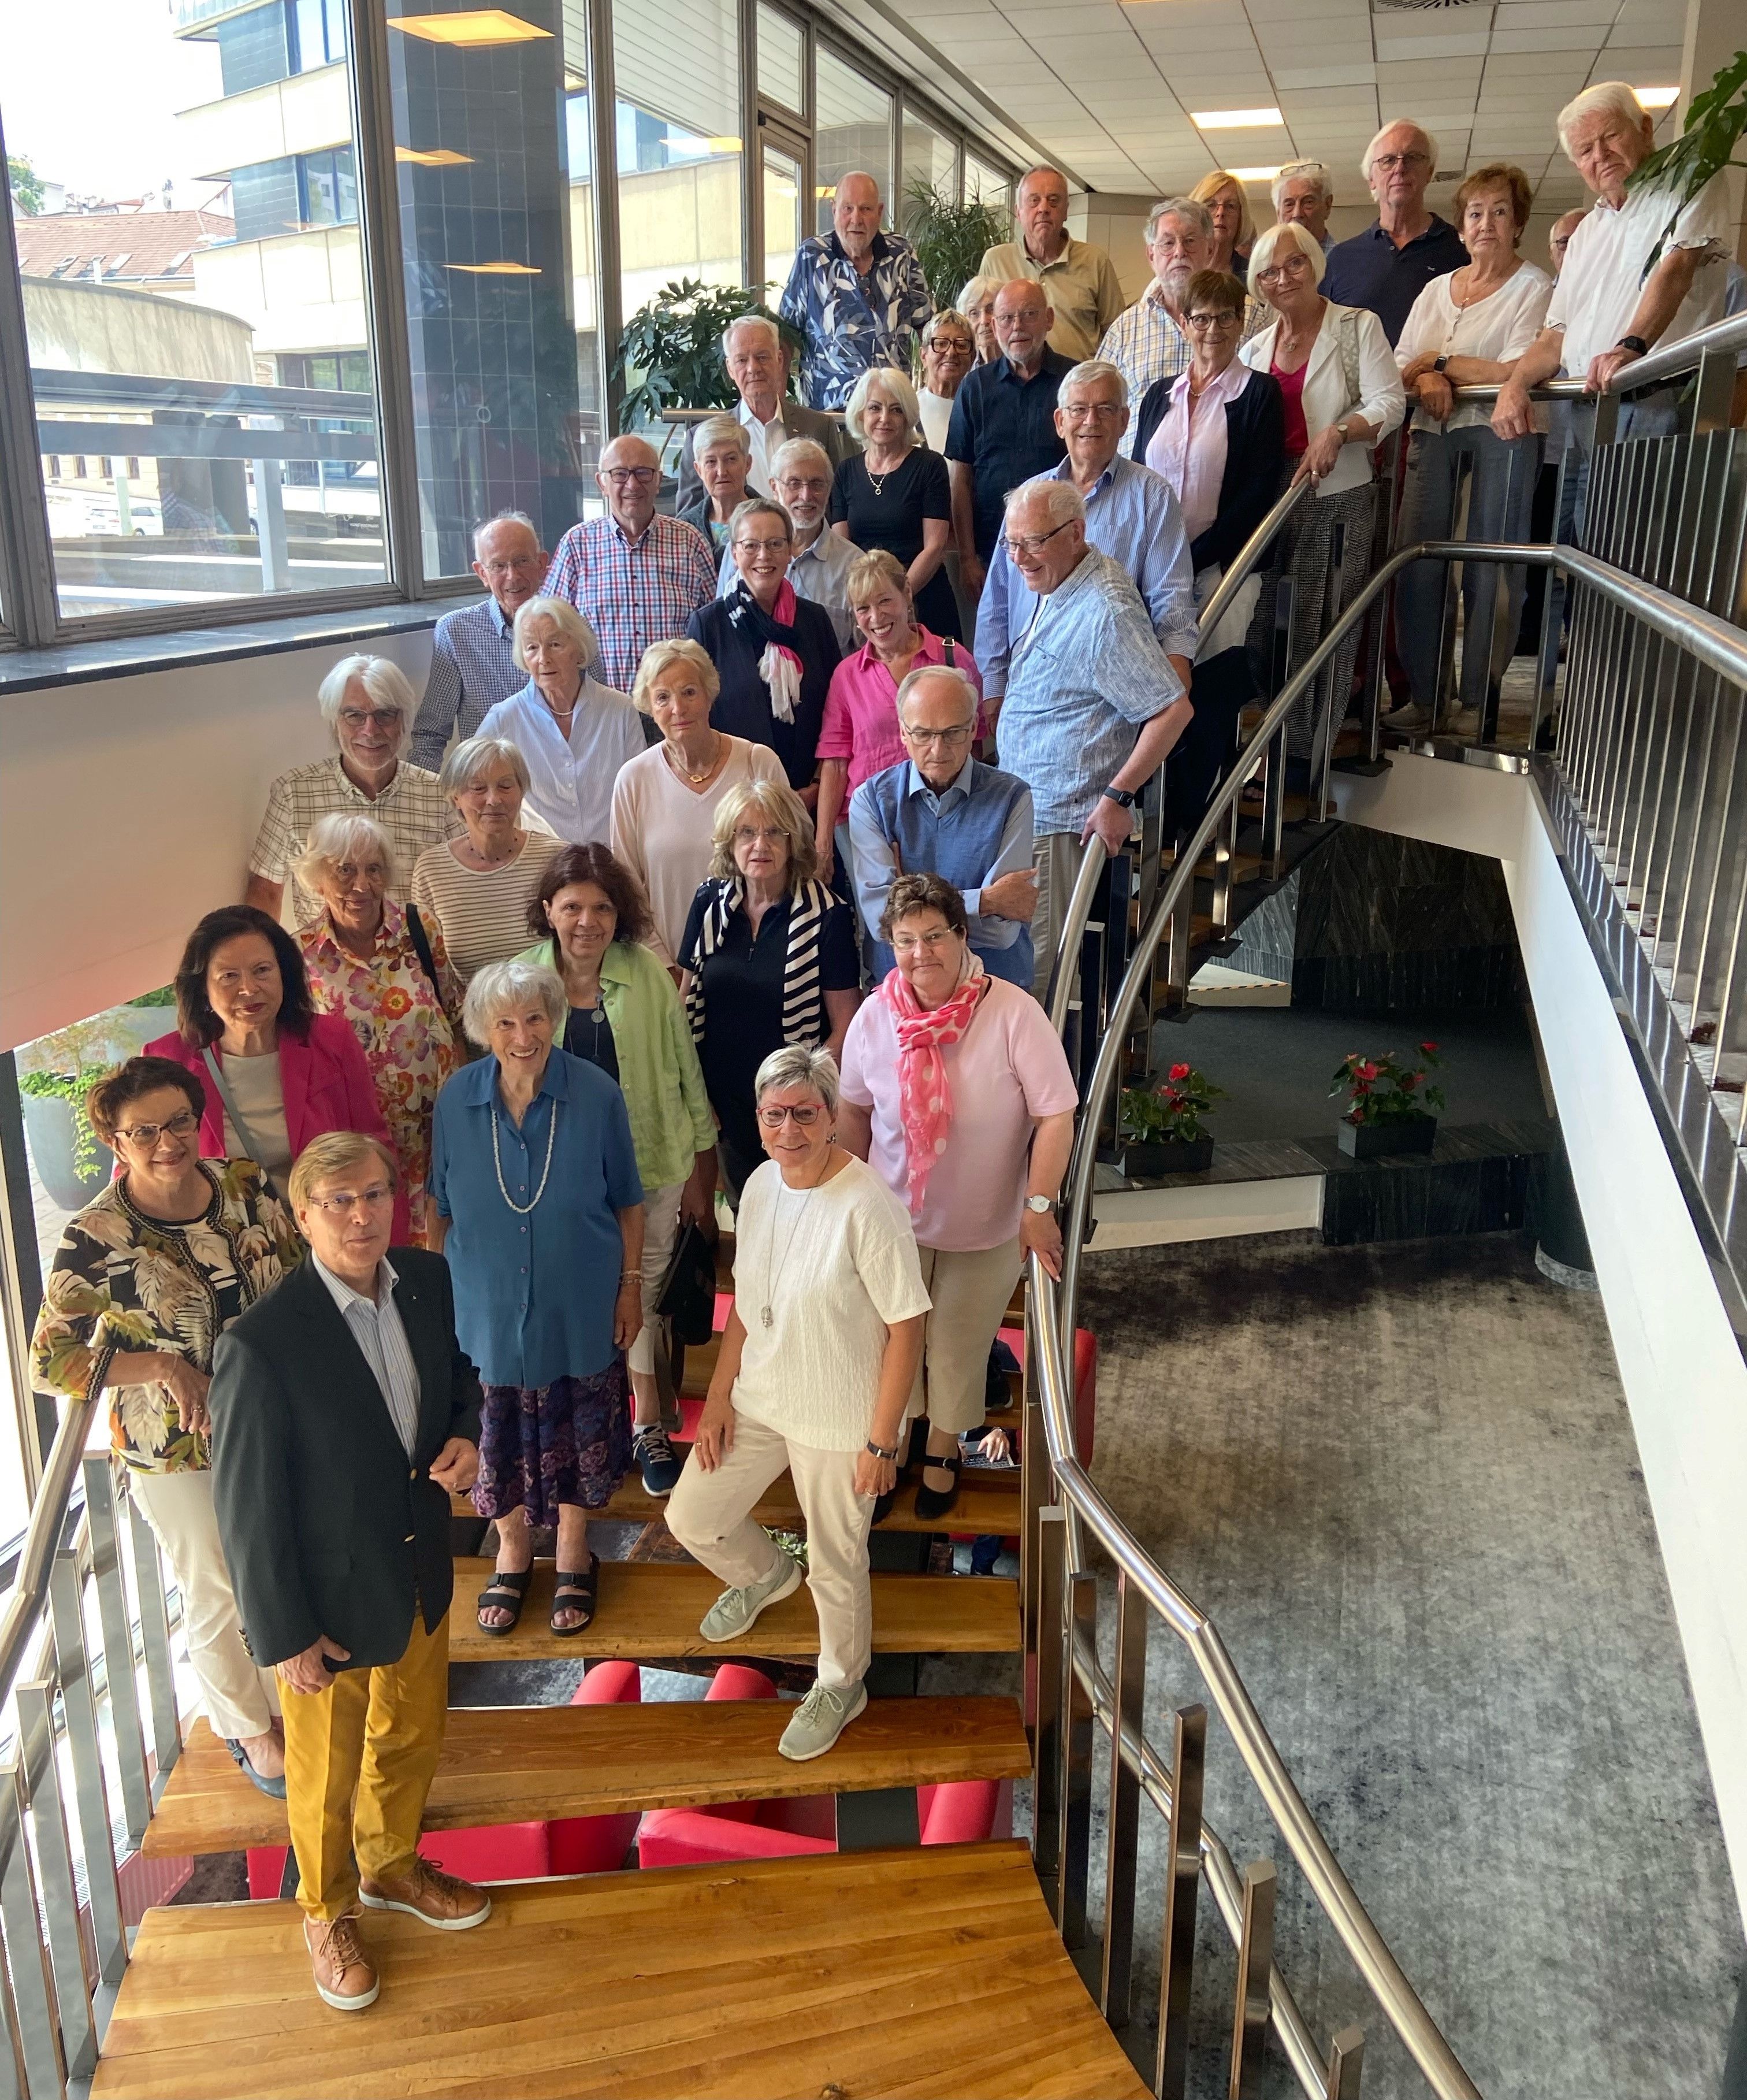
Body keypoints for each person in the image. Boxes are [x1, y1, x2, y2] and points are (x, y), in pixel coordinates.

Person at [209, 1130, 489, 2013]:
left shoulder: (428, 1280)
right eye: (338, 1201)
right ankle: (325, 1910)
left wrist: (467, 1434)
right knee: (324, 1774)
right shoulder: (261, 1341)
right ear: (302, 1216)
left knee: (412, 1733)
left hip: (420, 1567)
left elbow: (460, 1378)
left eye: (374, 1194)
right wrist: (283, 1632)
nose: (362, 1215)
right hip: (326, 1599)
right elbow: (247, 1509)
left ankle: (391, 1866)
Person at [31, 1056, 302, 1802]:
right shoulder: (95, 1234)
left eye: (179, 1121)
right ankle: (248, 1726)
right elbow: (50, 1360)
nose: (167, 1142)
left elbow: (301, 1278)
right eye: (143, 1132)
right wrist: (159, 1365)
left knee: (276, 1560)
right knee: (215, 1579)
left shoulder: (243, 1185)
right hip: (174, 1442)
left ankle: (290, 1700)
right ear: (115, 1142)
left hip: (270, 1417)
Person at [666, 1044, 929, 1762]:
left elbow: (908, 1326)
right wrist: (719, 1397)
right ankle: (769, 1576)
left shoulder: (869, 1206)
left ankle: (842, 1681)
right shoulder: (757, 1187)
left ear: (832, 1117)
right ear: (756, 1120)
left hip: (843, 1415)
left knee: (837, 1560)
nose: (789, 1130)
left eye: (805, 1114)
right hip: (763, 1394)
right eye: (774, 1115)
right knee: (692, 1516)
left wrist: (881, 1441)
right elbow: (747, 1305)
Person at [838, 875, 1075, 1519]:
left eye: (935, 936)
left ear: (963, 936)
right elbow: (853, 1110)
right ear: (891, 946)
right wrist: (845, 1200)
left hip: (985, 1224)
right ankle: (896, 1440)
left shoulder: (1013, 1012)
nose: (921, 953)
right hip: (893, 1224)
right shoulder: (874, 1016)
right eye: (905, 940)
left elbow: (1056, 1115)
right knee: (894, 1342)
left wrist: (1039, 1208)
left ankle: (943, 1448)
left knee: (956, 1346)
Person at [429, 960, 643, 1639]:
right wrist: (438, 1301)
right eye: (505, 1023)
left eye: (534, 1019)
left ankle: (575, 1549)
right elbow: (439, 1207)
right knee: (495, 1435)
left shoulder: (597, 1094)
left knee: (579, 1430)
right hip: (485, 1308)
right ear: (483, 1030)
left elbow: (629, 1202)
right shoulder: (456, 1100)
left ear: (554, 1018)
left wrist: (630, 1287)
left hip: (579, 1303)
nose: (523, 1037)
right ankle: (514, 1549)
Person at [515, 847, 716, 1498]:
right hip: (556, 1177)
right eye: (572, 906)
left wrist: (701, 1162)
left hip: (650, 1159)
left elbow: (684, 1064)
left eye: (602, 907)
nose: (587, 921)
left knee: (644, 1289)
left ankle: (648, 1422)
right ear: (548, 910)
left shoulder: (647, 973)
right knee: (574, 1293)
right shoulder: (521, 980)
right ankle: (583, 1423)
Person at [991, 479, 1193, 993]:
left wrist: (1118, 797)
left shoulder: (1106, 609)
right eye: (1011, 543)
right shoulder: (1062, 579)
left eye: (1033, 542)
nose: (1019, 558)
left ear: (1076, 533)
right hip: (1032, 809)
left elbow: (1172, 711)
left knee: (1039, 974)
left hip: (1060, 818)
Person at [1385, 165, 1553, 735]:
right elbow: (1401, 365)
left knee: (1492, 570)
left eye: (1500, 212)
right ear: (1461, 227)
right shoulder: (1437, 290)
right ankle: (1428, 697)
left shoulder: (1534, 287)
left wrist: (1437, 364)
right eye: (1476, 213)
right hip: (1431, 435)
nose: (1486, 224)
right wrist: (1428, 375)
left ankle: (1480, 699)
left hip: (1504, 434)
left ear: (1518, 223)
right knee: (1419, 564)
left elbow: (1512, 370)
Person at [1493, 83, 1731, 462]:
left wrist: (1629, 347)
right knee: (1589, 506)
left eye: (1610, 137)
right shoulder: (1586, 231)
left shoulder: (1689, 182)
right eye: (1585, 151)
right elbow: (1555, 337)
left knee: (1648, 503)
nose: (1601, 156)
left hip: (1655, 397)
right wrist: (1515, 384)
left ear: (1645, 129)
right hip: (1587, 408)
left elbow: (1675, 272)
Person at [1239, 222, 1406, 763]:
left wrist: (1338, 431)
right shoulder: (1255, 349)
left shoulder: (1357, 326)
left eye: (1295, 263)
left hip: (1338, 493)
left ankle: (1309, 754)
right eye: (1269, 271)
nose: (1284, 278)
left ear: (1316, 264)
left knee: (1324, 622)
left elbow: (1390, 402)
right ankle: (1270, 744)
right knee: (1265, 622)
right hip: (1272, 494)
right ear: (1258, 283)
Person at [1133, 270, 1288, 836]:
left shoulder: (1259, 394)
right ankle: (1157, 814)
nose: (1213, 329)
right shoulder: (1159, 394)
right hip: (1155, 576)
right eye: (1201, 317)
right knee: (1157, 693)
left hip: (1224, 570)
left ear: (1241, 322)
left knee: (1210, 693)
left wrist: (1190, 559)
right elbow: (1138, 481)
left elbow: (1257, 494)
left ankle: (1197, 824)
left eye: (1225, 317)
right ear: (1184, 323)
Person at [145, 905, 405, 1237]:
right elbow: (138, 1170)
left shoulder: (332, 1041)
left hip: (325, 1238)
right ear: (203, 988)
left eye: (262, 970)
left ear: (284, 974)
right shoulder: (167, 1060)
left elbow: (375, 1150)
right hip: (221, 1245)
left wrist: (390, 1250)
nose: (249, 989)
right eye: (229, 976)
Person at [975, 359, 1197, 717]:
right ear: (1060, 421)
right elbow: (998, 599)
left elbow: (1171, 602)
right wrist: (994, 688)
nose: (1091, 421)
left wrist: (1172, 696)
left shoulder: (1152, 496)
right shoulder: (1029, 495)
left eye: (1105, 409)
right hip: (1024, 690)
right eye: (1078, 409)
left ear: (1124, 421)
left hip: (1106, 703)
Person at [678, 779, 860, 1197]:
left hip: (793, 1108)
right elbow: (684, 1003)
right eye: (747, 832)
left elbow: (846, 1024)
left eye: (774, 832)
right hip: (722, 1100)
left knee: (802, 1207)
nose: (760, 844)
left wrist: (802, 1098)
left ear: (793, 842)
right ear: (730, 841)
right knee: (747, 1208)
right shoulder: (709, 902)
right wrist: (695, 1092)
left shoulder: (828, 916)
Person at [296, 814, 463, 1248]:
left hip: (439, 1131)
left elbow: (453, 1012)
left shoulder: (419, 928)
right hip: (363, 1141)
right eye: (345, 871)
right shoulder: (301, 956)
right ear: (318, 879)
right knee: (383, 1245)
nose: (361, 885)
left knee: (449, 1243)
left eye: (373, 869)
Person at [850, 665, 1037, 987]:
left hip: (995, 989)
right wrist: (986, 901)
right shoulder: (871, 801)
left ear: (974, 727)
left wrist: (909, 909)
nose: (938, 750)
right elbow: (882, 920)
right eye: (923, 734)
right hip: (903, 992)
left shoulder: (1013, 797)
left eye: (953, 733)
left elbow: (1001, 932)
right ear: (903, 733)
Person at [612, 638, 787, 967]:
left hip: (760, 960)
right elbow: (626, 886)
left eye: (689, 692)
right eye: (663, 697)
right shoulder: (633, 779)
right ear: (649, 706)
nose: (678, 708)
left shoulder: (758, 763)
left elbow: (791, 861)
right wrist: (664, 966)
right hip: (667, 966)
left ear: (709, 694)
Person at [815, 550, 984, 891]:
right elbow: (834, 763)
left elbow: (974, 744)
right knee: (881, 915)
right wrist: (822, 846)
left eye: (884, 601)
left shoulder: (952, 657)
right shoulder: (847, 675)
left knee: (946, 906)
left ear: (907, 594)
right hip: (869, 821)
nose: (876, 617)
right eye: (863, 608)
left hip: (942, 814)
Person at [247, 655, 453, 930]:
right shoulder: (293, 794)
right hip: (322, 955)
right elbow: (266, 893)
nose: (370, 730)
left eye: (385, 714)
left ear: (405, 720)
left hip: (417, 954)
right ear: (335, 722)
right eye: (355, 715)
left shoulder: (441, 796)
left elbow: (462, 890)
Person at [685, 498, 840, 801]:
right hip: (736, 797)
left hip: (810, 797)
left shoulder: (815, 620)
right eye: (751, 545)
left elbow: (837, 710)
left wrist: (819, 784)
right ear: (734, 553)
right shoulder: (708, 626)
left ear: (791, 550)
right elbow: (698, 720)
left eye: (775, 544)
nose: (764, 555)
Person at [542, 435, 718, 691]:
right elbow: (550, 629)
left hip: (674, 706)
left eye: (643, 473)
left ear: (658, 481)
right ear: (602, 483)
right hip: (601, 707)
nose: (633, 485)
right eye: (620, 474)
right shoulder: (576, 546)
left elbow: (715, 630)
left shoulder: (691, 542)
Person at [474, 596, 643, 845]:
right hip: (540, 860)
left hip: (613, 858)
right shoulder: (504, 719)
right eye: (532, 648)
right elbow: (469, 785)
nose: (543, 658)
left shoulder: (620, 709)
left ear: (579, 650)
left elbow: (640, 793)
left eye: (555, 644)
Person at [945, 280, 1073, 595]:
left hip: (1059, 553)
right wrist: (967, 558)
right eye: (1006, 318)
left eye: (1029, 314)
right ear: (994, 326)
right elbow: (961, 480)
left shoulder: (1073, 383)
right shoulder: (974, 388)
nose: (1017, 327)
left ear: (1049, 319)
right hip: (992, 552)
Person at [409, 736, 564, 986]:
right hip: (471, 1010)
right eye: (478, 788)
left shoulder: (556, 858)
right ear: (456, 797)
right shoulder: (432, 871)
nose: (493, 799)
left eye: (505, 786)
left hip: (553, 1008)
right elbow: (433, 969)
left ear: (521, 791)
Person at [779, 170, 933, 411]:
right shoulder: (812, 256)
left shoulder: (901, 253)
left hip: (890, 410)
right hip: (828, 412)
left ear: (879, 212)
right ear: (834, 210)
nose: (856, 219)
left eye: (865, 209)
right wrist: (780, 403)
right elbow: (786, 334)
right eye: (847, 208)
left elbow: (929, 328)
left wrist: (934, 395)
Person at [409, 511, 549, 768]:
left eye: (522, 561)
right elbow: (430, 735)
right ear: (482, 573)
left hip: (562, 784)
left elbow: (599, 717)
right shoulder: (456, 632)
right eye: (498, 566)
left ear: (541, 564)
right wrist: (423, 790)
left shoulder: (572, 628)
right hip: (488, 783)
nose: (512, 576)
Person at [830, 366, 960, 640]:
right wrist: (873, 604)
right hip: (870, 614)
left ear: (908, 416)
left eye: (896, 410)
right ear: (861, 414)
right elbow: (842, 551)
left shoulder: (930, 466)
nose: (884, 418)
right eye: (875, 408)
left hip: (925, 602)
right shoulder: (845, 472)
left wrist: (900, 598)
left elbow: (935, 547)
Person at [674, 316, 845, 507]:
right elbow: (688, 519)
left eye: (762, 357)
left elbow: (837, 504)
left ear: (779, 360)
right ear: (730, 369)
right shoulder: (699, 438)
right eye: (742, 360)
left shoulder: (819, 427)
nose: (753, 368)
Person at [1324, 121, 1467, 346]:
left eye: (1413, 158)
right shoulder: (1341, 260)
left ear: (1429, 172)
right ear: (1371, 179)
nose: (1400, 168)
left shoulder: (1462, 251)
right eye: (1388, 160)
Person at [723, 436, 861, 652]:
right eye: (794, 483)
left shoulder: (855, 566)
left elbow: (865, 655)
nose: (806, 496)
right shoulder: (742, 550)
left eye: (817, 484)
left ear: (829, 489)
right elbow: (722, 625)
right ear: (774, 487)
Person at [976, 165, 1124, 363]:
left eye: (1053, 201)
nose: (1044, 209)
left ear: (1066, 211)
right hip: (1010, 380)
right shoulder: (995, 261)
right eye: (1034, 200)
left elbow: (1117, 335)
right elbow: (979, 327)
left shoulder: (1095, 261)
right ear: (1018, 212)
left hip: (1075, 380)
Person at [1097, 197, 1217, 437]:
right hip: (1138, 461)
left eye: (1190, 241)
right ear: (1151, 255)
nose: (1179, 252)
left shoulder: (1245, 317)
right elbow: (1098, 406)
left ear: (1210, 249)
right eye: (1168, 243)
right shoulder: (1124, 330)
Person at [675, 414, 753, 553]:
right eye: (711, 462)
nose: (722, 472)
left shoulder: (772, 519)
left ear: (747, 464)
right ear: (699, 470)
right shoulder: (684, 529)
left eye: (731, 459)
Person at [917, 308, 977, 452]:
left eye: (961, 345)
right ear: (924, 356)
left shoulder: (981, 413)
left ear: (972, 358)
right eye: (941, 344)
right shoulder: (907, 411)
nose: (951, 353)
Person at [1190, 171, 1255, 279]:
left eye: (1230, 206)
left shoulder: (1253, 276)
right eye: (1211, 205)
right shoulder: (1180, 270)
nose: (1220, 212)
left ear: (1241, 217)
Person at [1273, 161, 1335, 254]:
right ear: (1278, 212)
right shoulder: (1266, 261)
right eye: (1289, 205)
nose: (1297, 214)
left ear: (1327, 206)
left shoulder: (1346, 260)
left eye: (1308, 203)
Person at [957, 276, 1001, 365]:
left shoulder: (1023, 365)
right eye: (974, 313)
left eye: (991, 309)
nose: (984, 321)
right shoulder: (963, 369)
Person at [1549, 207, 1586, 278]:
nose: (1573, 248)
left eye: (1581, 240)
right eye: (1565, 242)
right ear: (1551, 252)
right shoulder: (1542, 285)